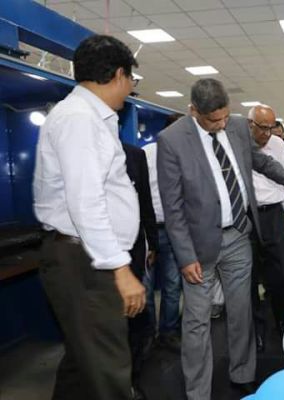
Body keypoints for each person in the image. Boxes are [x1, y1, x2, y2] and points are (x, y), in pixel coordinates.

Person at [156, 78, 284, 400]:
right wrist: (186, 256)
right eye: (212, 120)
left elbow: (262, 162)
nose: (220, 125)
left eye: (224, 117)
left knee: (242, 310)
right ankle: (197, 391)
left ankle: (243, 372)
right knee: (197, 321)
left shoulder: (238, 127)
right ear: (193, 111)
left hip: (238, 236)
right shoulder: (172, 140)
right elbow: (171, 205)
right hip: (199, 245)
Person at [33, 34, 144, 400]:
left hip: (85, 257)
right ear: (117, 74)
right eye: (131, 80)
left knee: (84, 366)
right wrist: (120, 269)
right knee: (109, 369)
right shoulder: (79, 119)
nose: (130, 90)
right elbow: (86, 200)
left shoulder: (91, 117)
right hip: (84, 262)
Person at [247, 105, 284, 352]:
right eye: (262, 127)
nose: (267, 133)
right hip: (248, 216)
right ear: (250, 124)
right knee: (250, 278)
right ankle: (257, 329)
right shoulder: (239, 144)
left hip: (275, 214)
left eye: (271, 127)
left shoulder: (278, 145)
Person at [142, 113, 186, 352]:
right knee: (146, 287)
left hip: (175, 229)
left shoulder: (186, 158)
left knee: (172, 284)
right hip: (149, 229)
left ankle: (168, 332)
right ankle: (147, 333)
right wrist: (147, 237)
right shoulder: (146, 154)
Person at [122, 143, 158, 400]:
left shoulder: (135, 155)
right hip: (94, 257)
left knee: (138, 321)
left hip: (133, 250)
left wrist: (153, 243)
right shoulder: (84, 150)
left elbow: (145, 202)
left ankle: (132, 379)